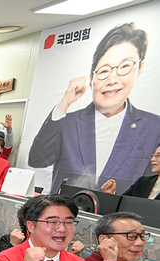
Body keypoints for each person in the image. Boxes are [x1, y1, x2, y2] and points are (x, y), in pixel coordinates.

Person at [29, 23, 160, 194]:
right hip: (66, 214)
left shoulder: (154, 127)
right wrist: (64, 103)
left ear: (139, 69)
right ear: (91, 79)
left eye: (125, 67)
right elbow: (37, 160)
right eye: (104, 70)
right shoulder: (67, 122)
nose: (112, 79)